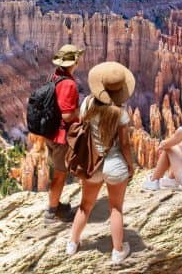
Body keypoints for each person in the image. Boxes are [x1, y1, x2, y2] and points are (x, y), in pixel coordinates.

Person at [66, 62, 135, 264]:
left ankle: (72, 243)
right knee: (116, 209)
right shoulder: (120, 113)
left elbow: (83, 126)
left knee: (85, 207)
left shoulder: (87, 103)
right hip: (115, 165)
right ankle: (118, 251)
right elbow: (124, 144)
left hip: (92, 164)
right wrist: (130, 166)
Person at [44, 44, 84, 224]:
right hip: (60, 137)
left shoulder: (54, 76)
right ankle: (51, 213)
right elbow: (67, 115)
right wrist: (80, 112)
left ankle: (56, 205)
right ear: (74, 61)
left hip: (49, 132)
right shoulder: (68, 84)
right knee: (60, 174)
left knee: (58, 172)